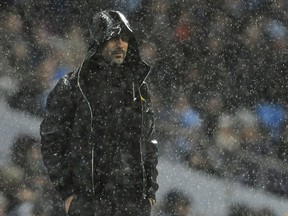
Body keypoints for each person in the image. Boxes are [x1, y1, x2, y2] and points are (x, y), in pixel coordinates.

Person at [40, 10, 158, 216]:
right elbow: (52, 140)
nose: (121, 44)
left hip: (130, 200)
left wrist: (149, 190)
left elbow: (147, 140)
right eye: (113, 38)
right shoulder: (71, 87)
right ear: (98, 42)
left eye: (125, 38)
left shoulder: (138, 88)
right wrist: (67, 191)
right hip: (89, 199)